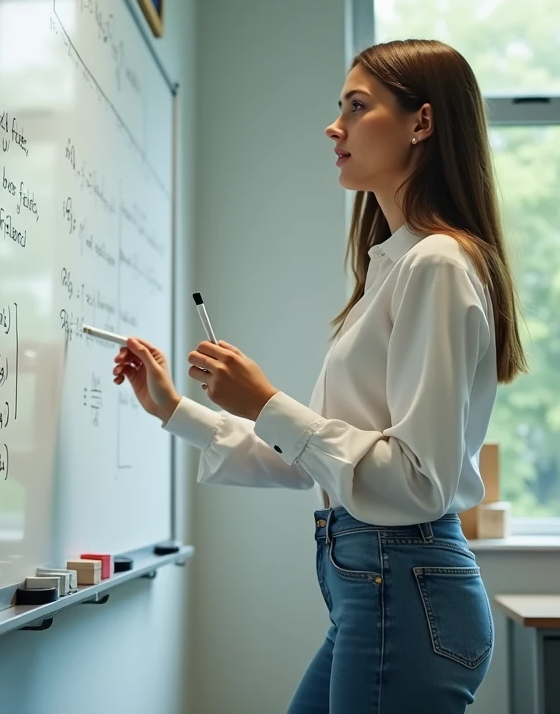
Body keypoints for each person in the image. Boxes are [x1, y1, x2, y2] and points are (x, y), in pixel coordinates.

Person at [111, 39, 526, 713]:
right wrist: (174, 409)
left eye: (357, 107)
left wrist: (269, 401)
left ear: (421, 123)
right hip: (380, 586)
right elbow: (312, 464)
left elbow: (416, 482)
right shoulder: (393, 268)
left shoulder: (438, 265)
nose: (335, 126)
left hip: (402, 582)